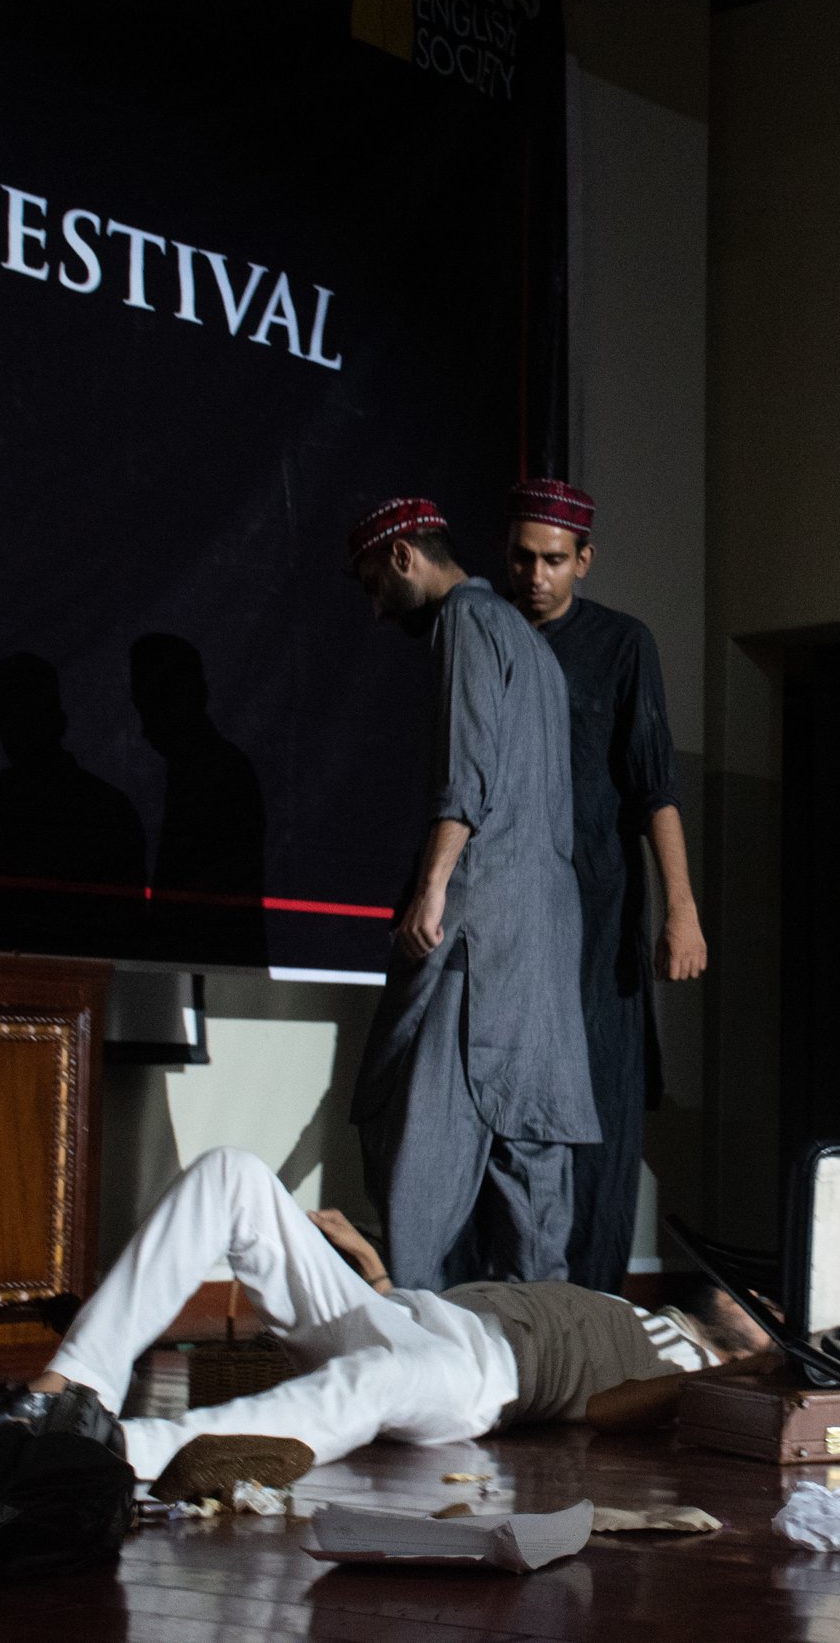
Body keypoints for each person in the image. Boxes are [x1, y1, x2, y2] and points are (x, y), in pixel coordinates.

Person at [0, 1147, 779, 1482]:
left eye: (774, 1312)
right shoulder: (635, 1304)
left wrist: (758, 1366)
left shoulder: (697, 1378)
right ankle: (66, 1389)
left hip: (473, 1379)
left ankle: (113, 1449)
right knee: (232, 1174)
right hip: (411, 1312)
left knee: (372, 1382)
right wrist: (374, 1274)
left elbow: (605, 1410)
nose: (762, 1304)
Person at [343, 496, 599, 1288]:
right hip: (541, 947)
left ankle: (413, 1333)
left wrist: (431, 888)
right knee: (531, 1171)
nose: (378, 608)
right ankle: (543, 1350)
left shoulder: (465, 620)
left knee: (420, 1147)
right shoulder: (531, 643)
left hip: (477, 937)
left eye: (374, 584)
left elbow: (468, 771)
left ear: (403, 556)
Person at [503, 479, 708, 1294]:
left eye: (553, 559)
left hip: (599, 910)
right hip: (509, 910)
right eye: (523, 557)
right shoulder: (487, 635)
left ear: (583, 560)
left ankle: (591, 1304)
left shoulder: (622, 643)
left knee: (600, 1100)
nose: (536, 575)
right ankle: (505, 1302)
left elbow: (656, 785)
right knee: (506, 1100)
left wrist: (682, 908)